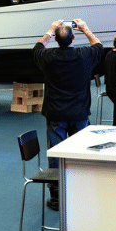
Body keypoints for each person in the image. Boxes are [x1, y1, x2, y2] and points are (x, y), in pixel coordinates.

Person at [34, 19, 104, 210]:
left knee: (56, 157)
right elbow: (99, 46)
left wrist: (49, 30)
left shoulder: (48, 57)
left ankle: (57, 198)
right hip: (79, 114)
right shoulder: (85, 55)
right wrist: (85, 28)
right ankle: (82, 193)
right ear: (74, 37)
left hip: (56, 114)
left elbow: (37, 48)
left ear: (56, 39)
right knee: (82, 153)